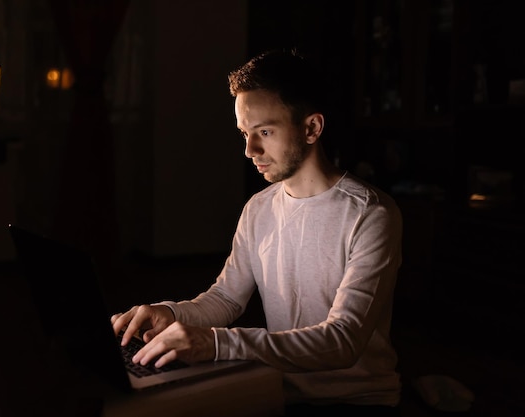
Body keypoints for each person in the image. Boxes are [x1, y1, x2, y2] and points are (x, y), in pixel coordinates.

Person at [111, 49, 403, 416]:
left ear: (312, 128)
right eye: (244, 133)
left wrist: (216, 344)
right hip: (275, 391)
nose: (250, 150)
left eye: (265, 131)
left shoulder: (371, 214)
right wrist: (169, 314)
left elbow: (343, 341)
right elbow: (226, 300)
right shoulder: (259, 208)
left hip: (356, 402)